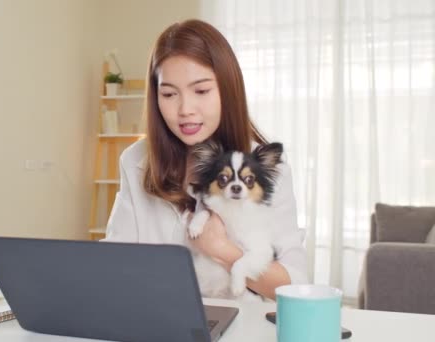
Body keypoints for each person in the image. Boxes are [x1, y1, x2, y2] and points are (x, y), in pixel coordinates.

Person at [102, 19, 308, 300]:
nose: (185, 109)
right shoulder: (136, 159)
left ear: (227, 89)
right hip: (155, 317)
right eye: (169, 94)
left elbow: (293, 285)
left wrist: (222, 250)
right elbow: (116, 256)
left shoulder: (265, 168)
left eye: (201, 91)